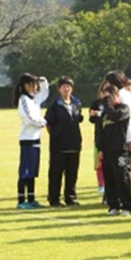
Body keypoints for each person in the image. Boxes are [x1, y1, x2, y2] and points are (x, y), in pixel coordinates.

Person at [44, 77, 83, 207]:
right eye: (64, 86)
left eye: (69, 86)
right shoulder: (54, 106)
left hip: (74, 144)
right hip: (58, 146)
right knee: (56, 174)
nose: (67, 89)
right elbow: (48, 124)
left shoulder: (76, 103)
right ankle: (54, 199)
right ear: (59, 89)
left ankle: (70, 198)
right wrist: (56, 136)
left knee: (72, 173)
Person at [95, 85, 131, 216]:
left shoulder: (123, 108)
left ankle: (127, 206)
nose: (107, 100)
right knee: (109, 179)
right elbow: (100, 131)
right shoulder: (104, 112)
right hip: (107, 151)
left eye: (109, 97)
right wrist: (99, 148)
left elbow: (115, 116)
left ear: (116, 96)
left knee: (121, 179)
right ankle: (113, 205)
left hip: (120, 150)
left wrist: (107, 105)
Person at [14, 74, 49, 209]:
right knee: (25, 171)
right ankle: (21, 200)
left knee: (33, 171)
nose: (35, 87)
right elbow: (29, 117)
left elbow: (45, 91)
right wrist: (43, 122)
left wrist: (42, 79)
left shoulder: (35, 99)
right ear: (25, 86)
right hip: (27, 140)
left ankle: (32, 198)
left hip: (36, 139)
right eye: (32, 84)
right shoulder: (23, 99)